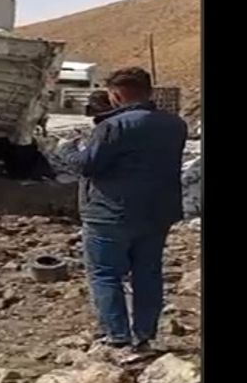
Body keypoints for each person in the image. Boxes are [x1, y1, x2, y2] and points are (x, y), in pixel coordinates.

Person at [66, 67, 186, 352]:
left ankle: (117, 336)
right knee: (148, 273)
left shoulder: (112, 127)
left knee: (106, 273)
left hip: (110, 213)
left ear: (116, 95)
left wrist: (66, 151)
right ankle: (145, 335)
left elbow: (88, 165)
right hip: (157, 213)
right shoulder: (176, 125)